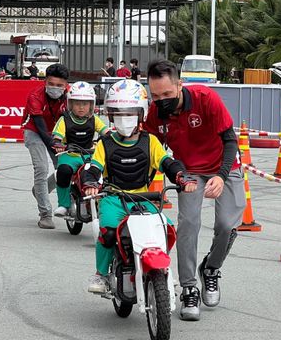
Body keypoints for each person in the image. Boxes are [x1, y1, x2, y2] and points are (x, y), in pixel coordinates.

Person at [143, 59, 246, 321]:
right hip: (189, 171)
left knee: (226, 224)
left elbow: (230, 139)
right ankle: (189, 287)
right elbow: (149, 149)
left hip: (224, 165)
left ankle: (211, 268)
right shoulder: (156, 113)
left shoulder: (206, 98)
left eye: (167, 94)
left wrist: (222, 176)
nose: (161, 100)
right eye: (155, 96)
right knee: (188, 223)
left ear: (180, 85)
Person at [81, 79, 195, 293]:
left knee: (167, 229)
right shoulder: (104, 144)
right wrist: (89, 182)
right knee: (107, 232)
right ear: (111, 116)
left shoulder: (150, 141)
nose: (125, 119)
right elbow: (93, 168)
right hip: (113, 198)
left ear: (141, 114)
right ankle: (101, 275)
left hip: (145, 198)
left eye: (130, 113)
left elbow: (168, 163)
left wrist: (181, 177)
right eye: (119, 114)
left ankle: (163, 269)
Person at [51, 82, 110, 217]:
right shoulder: (64, 120)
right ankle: (64, 205)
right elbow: (56, 138)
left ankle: (106, 200)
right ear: (70, 104)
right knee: (63, 171)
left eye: (85, 104)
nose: (81, 107)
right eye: (77, 103)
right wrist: (59, 145)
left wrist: (110, 138)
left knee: (106, 171)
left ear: (91, 105)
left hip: (90, 154)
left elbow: (106, 132)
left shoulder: (94, 119)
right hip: (69, 155)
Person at [22, 63, 69, 229]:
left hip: (56, 132)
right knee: (41, 168)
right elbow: (40, 126)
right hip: (34, 131)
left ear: (66, 85)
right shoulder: (35, 96)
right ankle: (45, 214)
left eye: (59, 85)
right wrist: (54, 144)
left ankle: (39, 191)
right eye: (51, 84)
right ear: (45, 82)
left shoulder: (70, 95)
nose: (55, 88)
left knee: (64, 167)